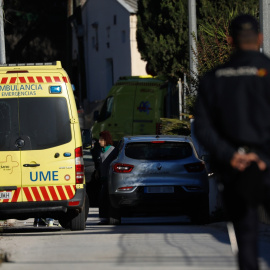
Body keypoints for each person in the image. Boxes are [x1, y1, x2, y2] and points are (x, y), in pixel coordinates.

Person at [194, 14, 270, 270]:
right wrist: (262, 157)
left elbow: (202, 127)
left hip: (233, 170)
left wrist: (230, 155)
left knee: (246, 238)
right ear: (259, 39)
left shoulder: (213, 79)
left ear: (229, 41)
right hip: (266, 165)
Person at [96, 130, 118, 225]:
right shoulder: (102, 150)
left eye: (101, 139)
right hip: (103, 178)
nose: (99, 141)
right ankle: (104, 218)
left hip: (110, 179)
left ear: (106, 140)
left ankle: (108, 218)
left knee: (106, 199)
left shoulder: (112, 150)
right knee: (102, 198)